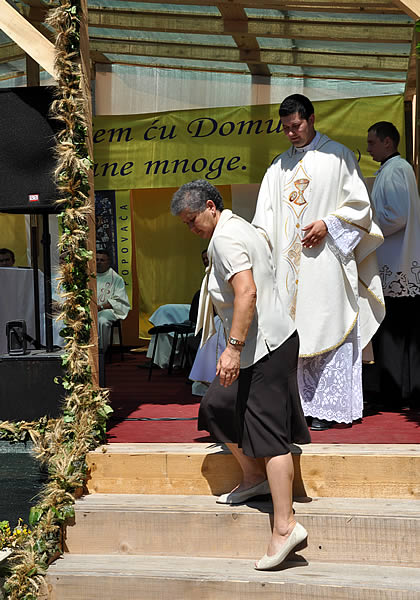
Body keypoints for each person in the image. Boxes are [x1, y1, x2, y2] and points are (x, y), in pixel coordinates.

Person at [171, 179, 311, 571]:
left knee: (270, 438)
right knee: (217, 405)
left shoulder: (226, 238)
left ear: (210, 207)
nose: (191, 228)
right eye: (185, 224)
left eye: (192, 220)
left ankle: (285, 528)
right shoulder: (237, 227)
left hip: (264, 347)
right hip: (263, 344)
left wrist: (232, 348)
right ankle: (253, 478)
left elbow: (246, 292)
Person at [253, 94, 385, 430]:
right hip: (288, 270)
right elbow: (263, 219)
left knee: (328, 324)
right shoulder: (278, 167)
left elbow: (360, 208)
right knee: (292, 335)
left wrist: (328, 224)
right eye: (285, 128)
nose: (291, 133)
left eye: (296, 126)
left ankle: (327, 409)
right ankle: (297, 408)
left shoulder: (338, 156)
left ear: (311, 119)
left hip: (325, 263)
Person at [367, 121, 420, 409]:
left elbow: (397, 216)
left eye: (372, 142)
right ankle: (404, 391)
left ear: (388, 142)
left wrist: (368, 229)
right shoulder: (396, 169)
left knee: (395, 330)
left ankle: (395, 393)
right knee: (403, 331)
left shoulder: (395, 169)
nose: (368, 148)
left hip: (396, 263)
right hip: (399, 262)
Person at [96, 249, 130, 352]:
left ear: (108, 262)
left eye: (102, 260)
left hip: (107, 310)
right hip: (90, 310)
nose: (99, 262)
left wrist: (101, 307)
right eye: (97, 259)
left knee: (102, 320)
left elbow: (119, 300)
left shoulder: (116, 279)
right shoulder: (89, 276)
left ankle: (100, 352)